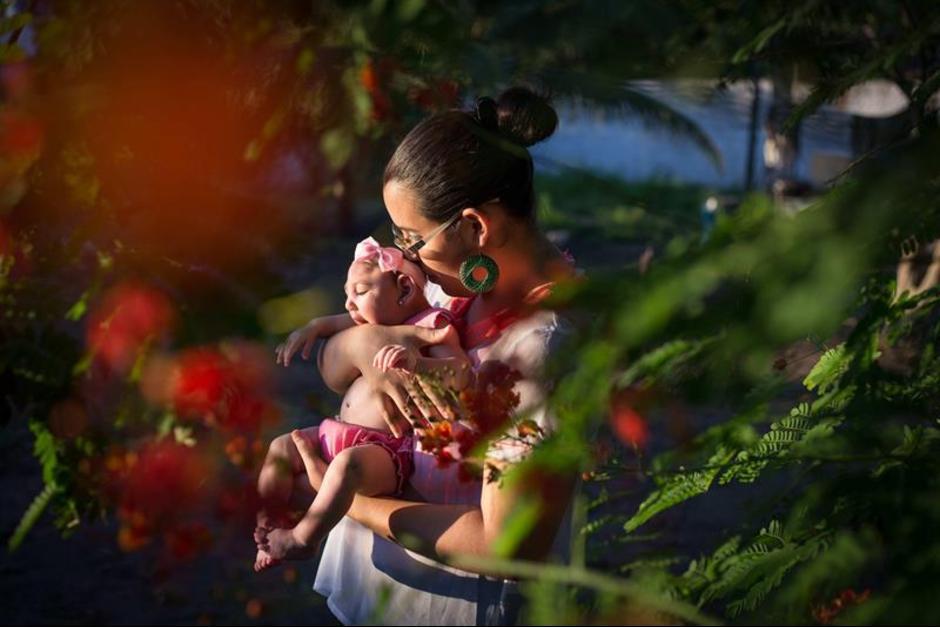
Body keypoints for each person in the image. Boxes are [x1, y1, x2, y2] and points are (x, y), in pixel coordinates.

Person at [286, 86, 580, 625]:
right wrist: (366, 341)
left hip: (455, 606)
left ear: (474, 226)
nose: (403, 256)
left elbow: (506, 543)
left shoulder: (540, 350)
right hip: (383, 591)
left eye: (413, 238)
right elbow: (333, 370)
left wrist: (342, 498)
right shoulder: (452, 284)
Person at [253, 236, 471, 572]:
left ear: (403, 290)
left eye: (360, 291)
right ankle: (267, 522)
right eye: (346, 294)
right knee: (281, 447)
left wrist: (418, 365)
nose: (349, 304)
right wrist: (312, 328)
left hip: (385, 450)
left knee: (346, 468)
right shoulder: (370, 321)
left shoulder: (432, 324)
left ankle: (304, 539)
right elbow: (337, 322)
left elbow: (459, 372)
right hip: (337, 430)